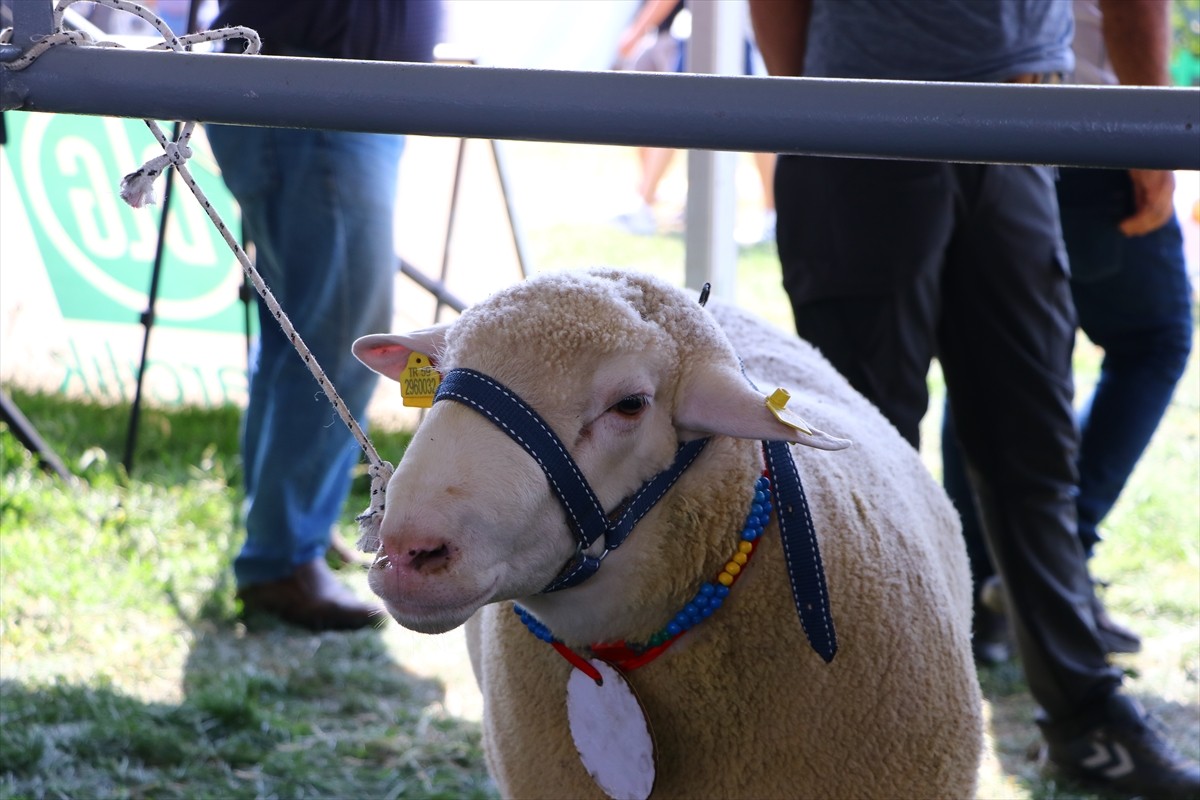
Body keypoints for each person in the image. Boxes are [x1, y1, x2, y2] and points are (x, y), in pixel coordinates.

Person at [747, 1, 1200, 797]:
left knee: (1032, 438)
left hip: (1021, 114)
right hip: (870, 111)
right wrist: (815, 108)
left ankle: (1086, 718)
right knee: (863, 452)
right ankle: (851, 711)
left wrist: (1142, 114)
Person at [945, 0, 1195, 664]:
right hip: (1082, 119)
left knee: (984, 356)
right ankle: (1045, 571)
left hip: (985, 113)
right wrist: (1151, 135)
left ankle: (991, 591)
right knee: (1154, 337)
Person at [205, 0, 444, 631]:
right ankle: (282, 557)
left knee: (305, 341)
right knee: (340, 342)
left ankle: (289, 534)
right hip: (316, 96)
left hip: (328, 95)